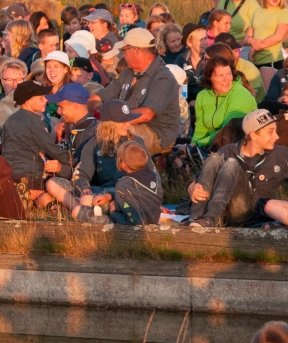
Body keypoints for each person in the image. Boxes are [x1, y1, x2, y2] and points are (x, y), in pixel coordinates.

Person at [186, 109, 288, 228]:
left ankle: (209, 219)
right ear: (253, 135)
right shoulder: (228, 150)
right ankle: (195, 218)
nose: (276, 136)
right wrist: (191, 186)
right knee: (214, 158)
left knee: (231, 163)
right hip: (225, 211)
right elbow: (202, 175)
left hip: (249, 213)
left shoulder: (280, 155)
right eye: (270, 132)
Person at [91, 27, 180, 155]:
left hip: (156, 133)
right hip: (128, 123)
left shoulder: (163, 78)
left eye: (124, 50)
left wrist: (113, 120)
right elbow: (102, 97)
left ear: (137, 51)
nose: (122, 55)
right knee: (89, 126)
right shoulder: (127, 73)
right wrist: (81, 109)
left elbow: (146, 114)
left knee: (113, 132)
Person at [0, 81, 67, 204]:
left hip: (10, 172)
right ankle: (27, 196)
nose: (45, 100)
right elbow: (51, 148)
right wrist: (72, 160)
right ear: (27, 102)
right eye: (41, 98)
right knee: (44, 196)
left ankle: (16, 195)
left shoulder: (10, 119)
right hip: (30, 173)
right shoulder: (35, 123)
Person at [191, 57, 257, 148]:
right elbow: (200, 130)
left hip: (237, 145)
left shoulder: (240, 94)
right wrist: (191, 147)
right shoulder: (202, 96)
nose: (226, 79)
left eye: (229, 74)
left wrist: (197, 144)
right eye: (220, 75)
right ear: (210, 77)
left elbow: (228, 130)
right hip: (211, 144)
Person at [105, 141, 162, 225]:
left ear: (123, 164)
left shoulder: (123, 185)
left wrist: (113, 213)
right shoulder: (155, 177)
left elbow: (133, 220)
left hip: (137, 229)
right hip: (153, 221)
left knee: (83, 213)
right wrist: (110, 195)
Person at [243, 0, 288, 68]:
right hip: (255, 61)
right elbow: (247, 37)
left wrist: (254, 48)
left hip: (272, 60)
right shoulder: (257, 11)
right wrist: (252, 41)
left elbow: (278, 36)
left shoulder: (284, 11)